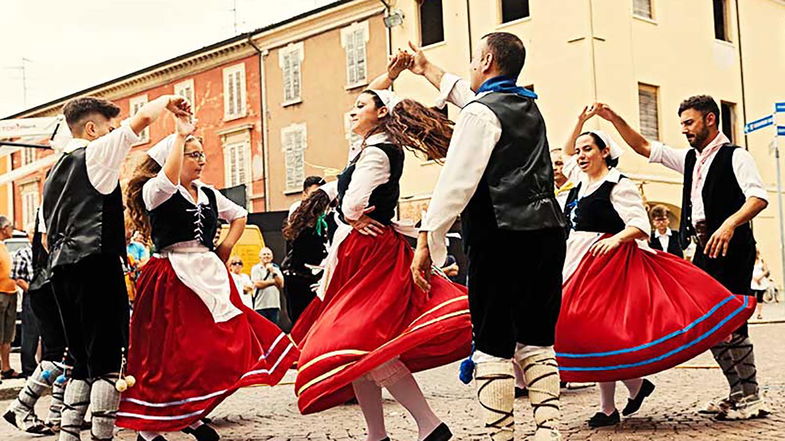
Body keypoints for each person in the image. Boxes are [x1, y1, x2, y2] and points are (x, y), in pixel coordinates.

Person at [288, 56, 471, 441]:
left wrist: (346, 213)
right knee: (359, 349)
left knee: (363, 342)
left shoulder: (375, 152)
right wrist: (392, 74)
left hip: (366, 251)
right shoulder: (373, 143)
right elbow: (375, 96)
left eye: (360, 107)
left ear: (381, 113)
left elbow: (354, 204)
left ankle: (429, 424)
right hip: (369, 248)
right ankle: (379, 435)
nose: (352, 111)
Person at [407, 33, 566, 441]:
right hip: (546, 232)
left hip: (501, 234)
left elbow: (455, 183)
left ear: (488, 59)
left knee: (494, 341)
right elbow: (470, 94)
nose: (472, 66)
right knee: (537, 337)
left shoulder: (481, 113)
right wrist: (425, 68)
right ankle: (548, 429)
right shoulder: (528, 106)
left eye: (475, 59)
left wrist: (428, 239)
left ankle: (500, 434)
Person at [117, 117, 297, 441]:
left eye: (201, 155)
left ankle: (191, 412)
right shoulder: (155, 191)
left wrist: (226, 244)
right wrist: (178, 134)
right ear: (173, 158)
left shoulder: (208, 194)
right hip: (171, 277)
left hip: (209, 274)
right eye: (192, 155)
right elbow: (168, 181)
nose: (200, 161)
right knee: (170, 354)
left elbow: (240, 214)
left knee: (220, 346)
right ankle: (153, 426)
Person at [596, 96, 770, 420]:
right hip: (704, 249)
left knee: (732, 321)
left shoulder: (737, 156)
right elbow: (645, 147)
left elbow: (758, 197)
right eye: (682, 125)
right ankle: (738, 393)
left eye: (689, 123)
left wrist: (729, 225)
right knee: (711, 325)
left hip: (732, 248)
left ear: (710, 120)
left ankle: (751, 397)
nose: (684, 130)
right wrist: (613, 118)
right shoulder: (690, 158)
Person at [41, 95, 190, 441]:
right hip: (96, 263)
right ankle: (101, 436)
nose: (113, 133)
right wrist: (169, 101)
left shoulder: (52, 174)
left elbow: (48, 237)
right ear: (92, 128)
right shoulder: (95, 153)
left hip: (61, 269)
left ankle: (68, 435)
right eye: (107, 127)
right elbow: (140, 120)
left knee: (80, 360)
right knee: (108, 362)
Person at [4, 211, 72, 435]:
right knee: (59, 354)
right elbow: (46, 240)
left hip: (53, 285)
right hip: (49, 287)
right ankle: (21, 406)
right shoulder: (53, 201)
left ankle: (56, 414)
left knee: (68, 354)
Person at [282, 178, 330, 325]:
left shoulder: (328, 216)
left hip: (320, 277)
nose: (317, 200)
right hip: (299, 277)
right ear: (304, 194)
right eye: (314, 194)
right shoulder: (298, 212)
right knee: (300, 322)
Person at [11, 224, 38, 378]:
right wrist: (31, 289)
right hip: (32, 294)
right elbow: (16, 277)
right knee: (30, 333)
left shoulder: (45, 252)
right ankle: (29, 369)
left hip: (47, 296)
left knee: (48, 333)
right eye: (34, 233)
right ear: (29, 235)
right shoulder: (23, 253)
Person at [0, 216, 21, 380]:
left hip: (11, 293)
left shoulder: (4, 247)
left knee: (8, 334)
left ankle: (6, 368)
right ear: (3, 229)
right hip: (0, 294)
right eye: (10, 227)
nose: (12, 229)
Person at [250, 247, 284, 324]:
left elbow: (281, 283)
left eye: (268, 254)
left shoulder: (276, 268)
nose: (266, 256)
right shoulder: (256, 268)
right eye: (264, 254)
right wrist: (273, 281)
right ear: (260, 257)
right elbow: (258, 284)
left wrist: (273, 272)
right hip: (260, 306)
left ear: (272, 257)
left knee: (273, 329)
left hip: (274, 305)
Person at [751, 249, 770, 320]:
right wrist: (754, 278)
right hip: (752, 281)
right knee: (751, 297)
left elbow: (766, 270)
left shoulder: (762, 261)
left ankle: (759, 313)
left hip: (761, 282)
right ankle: (751, 313)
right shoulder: (750, 261)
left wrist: (760, 277)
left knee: (759, 297)